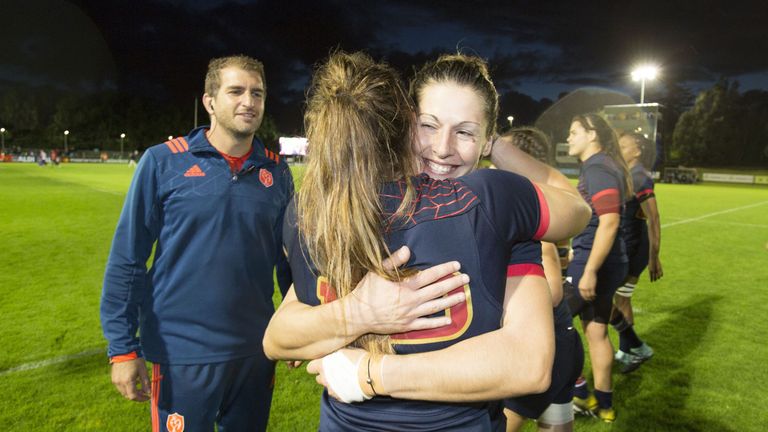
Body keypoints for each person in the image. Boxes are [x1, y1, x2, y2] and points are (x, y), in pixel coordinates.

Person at [264, 51, 590, 431]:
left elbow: (278, 339)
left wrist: (370, 369)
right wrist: (359, 314)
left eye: (465, 131)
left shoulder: (320, 208)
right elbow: (576, 209)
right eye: (428, 125)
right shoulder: (496, 202)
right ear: (404, 125)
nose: (442, 148)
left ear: (485, 141)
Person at [100, 55, 296, 431]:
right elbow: (128, 259)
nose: (248, 102)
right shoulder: (162, 163)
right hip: (182, 353)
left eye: (257, 93)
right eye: (235, 91)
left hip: (256, 350)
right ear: (209, 101)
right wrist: (123, 347)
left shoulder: (277, 171)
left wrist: (298, 324)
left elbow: (288, 260)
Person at [501, 127, 584, 432]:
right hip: (562, 341)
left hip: (544, 347)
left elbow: (552, 291)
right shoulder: (539, 208)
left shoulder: (531, 217)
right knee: (558, 425)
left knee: (501, 423)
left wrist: (500, 304)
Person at [562, 113, 632, 423]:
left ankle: (579, 393)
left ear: (592, 135)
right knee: (597, 332)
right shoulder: (604, 164)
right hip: (609, 261)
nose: (568, 137)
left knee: (551, 325)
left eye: (574, 131)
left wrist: (589, 270)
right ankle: (605, 407)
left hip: (594, 262)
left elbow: (610, 220)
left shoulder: (598, 166)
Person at [611, 132, 663, 371]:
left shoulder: (640, 177)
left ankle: (631, 350)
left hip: (634, 248)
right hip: (626, 245)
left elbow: (653, 219)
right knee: (620, 299)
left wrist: (654, 257)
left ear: (637, 151)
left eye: (624, 145)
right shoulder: (627, 175)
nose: (619, 149)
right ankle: (628, 349)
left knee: (620, 300)